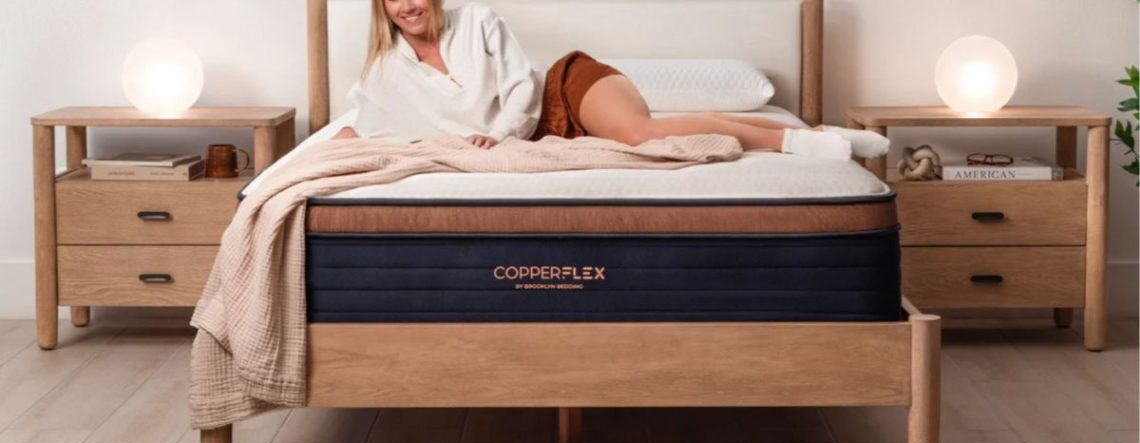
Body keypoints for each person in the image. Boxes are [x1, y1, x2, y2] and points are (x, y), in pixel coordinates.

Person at [335, 0, 889, 161]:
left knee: (643, 135)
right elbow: (365, 122)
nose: (406, 5)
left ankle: (800, 142)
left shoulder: (477, 20)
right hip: (549, 137)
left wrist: (501, 135)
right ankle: (812, 129)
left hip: (564, 90)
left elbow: (522, 89)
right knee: (660, 129)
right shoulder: (385, 69)